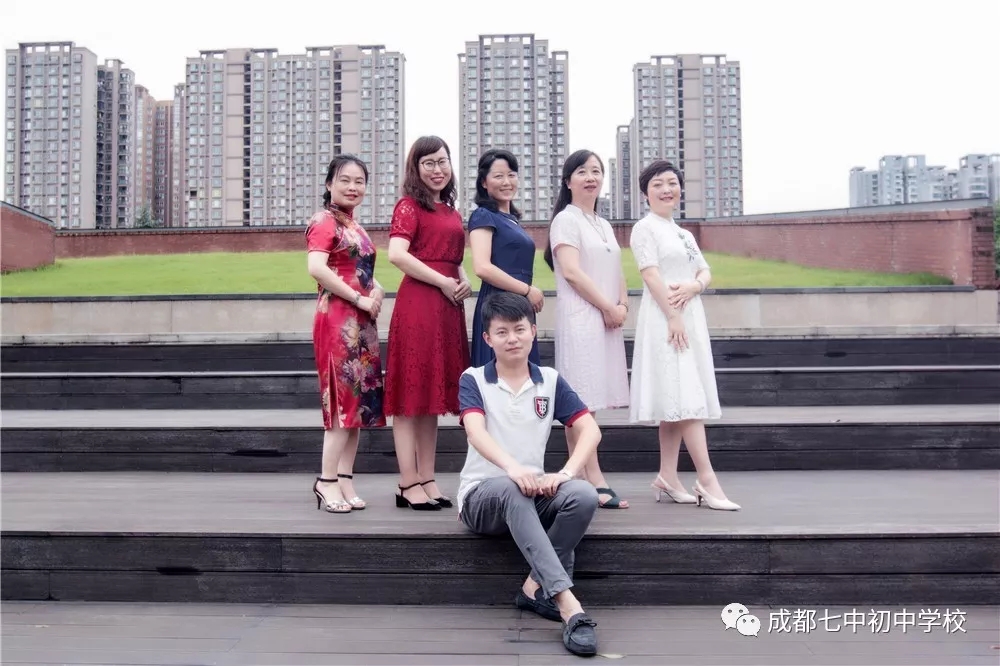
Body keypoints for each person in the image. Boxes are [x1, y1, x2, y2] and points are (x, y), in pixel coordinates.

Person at [457, 291, 600, 657]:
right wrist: (512, 467)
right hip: (482, 498)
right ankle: (569, 605)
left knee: (583, 494)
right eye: (502, 332)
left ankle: (532, 587)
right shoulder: (474, 379)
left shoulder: (549, 380)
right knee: (511, 488)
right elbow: (475, 432)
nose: (513, 338)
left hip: (532, 493)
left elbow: (590, 430)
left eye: (519, 329)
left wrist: (566, 472)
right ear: (487, 339)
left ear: (533, 332)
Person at [628, 160, 740, 511]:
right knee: (686, 396)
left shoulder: (684, 234)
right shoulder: (644, 228)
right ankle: (707, 479)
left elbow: (704, 271)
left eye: (672, 182)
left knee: (675, 398)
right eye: (658, 184)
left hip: (689, 317)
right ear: (646, 193)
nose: (666, 189)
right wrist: (673, 316)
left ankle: (667, 475)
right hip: (666, 318)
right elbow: (650, 276)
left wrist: (695, 286)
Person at [384, 135, 472, 511]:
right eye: (429, 163)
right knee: (410, 397)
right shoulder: (408, 206)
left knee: (431, 398)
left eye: (442, 161)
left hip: (448, 306)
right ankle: (407, 482)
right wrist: (443, 282)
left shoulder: (451, 211)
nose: (437, 169)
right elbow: (397, 254)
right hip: (419, 305)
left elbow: (453, 258)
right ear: (415, 169)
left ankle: (428, 478)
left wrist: (462, 279)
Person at [544, 149, 630, 510]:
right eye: (582, 171)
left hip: (607, 319)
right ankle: (593, 478)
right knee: (582, 403)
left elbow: (617, 270)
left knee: (592, 400)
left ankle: (578, 475)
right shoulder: (566, 220)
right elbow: (572, 272)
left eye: (596, 171)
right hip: (582, 318)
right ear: (568, 181)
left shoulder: (603, 224)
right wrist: (608, 306)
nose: (591, 177)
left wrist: (622, 304)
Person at [306, 155, 385, 514]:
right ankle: (326, 481)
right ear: (329, 184)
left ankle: (345, 478)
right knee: (341, 403)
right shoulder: (324, 220)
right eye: (345, 180)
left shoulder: (354, 226)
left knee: (358, 406)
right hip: (338, 320)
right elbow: (316, 267)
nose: (353, 187)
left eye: (359, 181)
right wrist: (357, 297)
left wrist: (377, 289)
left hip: (362, 321)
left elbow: (360, 269)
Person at [468, 149, 543, 367]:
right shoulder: (483, 215)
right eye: (498, 176)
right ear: (484, 182)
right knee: (500, 372)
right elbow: (482, 267)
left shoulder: (511, 220)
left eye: (511, 175)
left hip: (520, 306)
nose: (507, 182)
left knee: (523, 373)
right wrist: (527, 290)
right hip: (498, 305)